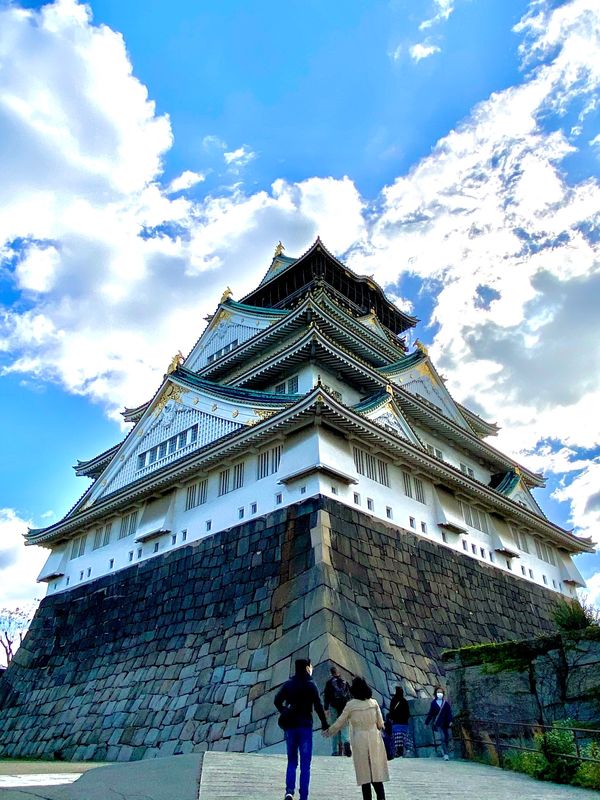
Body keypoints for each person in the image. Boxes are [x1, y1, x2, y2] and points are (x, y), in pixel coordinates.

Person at [324, 677, 389, 800]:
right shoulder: (373, 703)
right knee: (377, 775)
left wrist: (329, 731)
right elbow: (380, 724)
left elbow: (340, 722)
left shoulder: (351, 705)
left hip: (359, 740)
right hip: (374, 740)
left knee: (364, 776)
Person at [274, 658, 328, 800]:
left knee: (292, 761)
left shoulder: (289, 684)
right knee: (305, 764)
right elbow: (318, 706)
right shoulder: (311, 685)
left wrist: (284, 711)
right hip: (305, 726)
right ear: (306, 668)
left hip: (291, 727)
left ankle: (289, 791)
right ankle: (303, 796)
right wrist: (324, 723)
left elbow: (277, 700)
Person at [323, 666, 352, 756]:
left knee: (334, 726)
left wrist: (326, 708)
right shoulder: (345, 682)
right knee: (344, 725)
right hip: (344, 707)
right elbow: (350, 695)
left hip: (333, 706)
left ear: (331, 673)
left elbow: (326, 696)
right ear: (338, 673)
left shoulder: (329, 683)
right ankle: (346, 742)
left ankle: (335, 750)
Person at [424, 685, 453, 760]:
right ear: (435, 693)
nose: (439, 693)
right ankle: (446, 754)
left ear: (443, 693)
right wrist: (426, 723)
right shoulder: (433, 703)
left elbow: (449, 713)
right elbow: (431, 714)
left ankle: (444, 750)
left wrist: (450, 721)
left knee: (446, 738)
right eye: (438, 692)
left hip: (446, 723)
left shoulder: (446, 703)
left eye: (441, 692)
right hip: (438, 723)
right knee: (443, 737)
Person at [388, 685, 410, 757]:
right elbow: (407, 712)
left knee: (397, 738)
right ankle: (404, 751)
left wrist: (392, 718)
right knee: (404, 738)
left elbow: (391, 711)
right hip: (404, 723)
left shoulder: (393, 700)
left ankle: (397, 751)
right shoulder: (404, 701)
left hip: (396, 723)